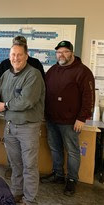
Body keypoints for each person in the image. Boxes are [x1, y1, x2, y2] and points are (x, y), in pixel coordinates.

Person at [0, 41, 45, 205]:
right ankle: (17, 192)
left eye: (19, 54)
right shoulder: (7, 74)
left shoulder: (33, 75)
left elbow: (27, 100)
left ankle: (30, 201)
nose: (16, 58)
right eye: (13, 55)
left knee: (29, 165)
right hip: (10, 126)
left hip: (28, 127)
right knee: (15, 164)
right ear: (9, 57)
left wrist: (5, 105)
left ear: (26, 56)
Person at [40, 40, 95, 196]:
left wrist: (82, 118)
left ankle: (71, 180)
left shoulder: (83, 71)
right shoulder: (52, 70)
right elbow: (45, 92)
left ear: (72, 52)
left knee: (72, 151)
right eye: (58, 52)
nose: (61, 55)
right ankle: (58, 175)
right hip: (52, 119)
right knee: (55, 148)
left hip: (71, 122)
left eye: (65, 51)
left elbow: (89, 97)